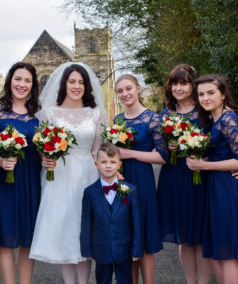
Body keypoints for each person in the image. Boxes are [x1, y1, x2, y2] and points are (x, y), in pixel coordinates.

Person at [29, 62, 107, 284]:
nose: (76, 86)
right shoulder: (49, 113)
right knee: (64, 229)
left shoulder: (96, 113)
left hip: (88, 174)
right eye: (72, 81)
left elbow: (98, 150)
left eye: (81, 82)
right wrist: (46, 157)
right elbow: (41, 146)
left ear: (87, 86)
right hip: (59, 176)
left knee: (85, 230)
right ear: (64, 84)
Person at [186, 74, 238, 284]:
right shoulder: (214, 119)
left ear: (223, 94)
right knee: (217, 252)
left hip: (229, 189)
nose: (205, 98)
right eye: (201, 94)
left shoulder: (228, 119)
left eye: (211, 92)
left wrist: (204, 165)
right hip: (216, 187)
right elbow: (223, 152)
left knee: (226, 253)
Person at [156, 64, 213, 284]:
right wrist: (167, 147)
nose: (178, 88)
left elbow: (218, 145)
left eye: (184, 83)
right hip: (174, 177)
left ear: (193, 85)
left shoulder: (205, 112)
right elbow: (158, 147)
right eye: (174, 83)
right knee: (185, 238)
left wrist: (203, 159)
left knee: (200, 236)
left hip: (199, 178)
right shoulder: (165, 114)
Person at [0, 62, 41, 284]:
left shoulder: (37, 114)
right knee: (6, 237)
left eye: (27, 80)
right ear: (10, 81)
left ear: (32, 85)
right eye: (18, 79)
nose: (22, 84)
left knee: (28, 238)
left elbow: (42, 146)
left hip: (30, 179)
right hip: (2, 180)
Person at [114, 74, 167, 284]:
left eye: (128, 88)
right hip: (121, 182)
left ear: (138, 89)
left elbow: (163, 157)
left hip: (143, 182)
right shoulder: (117, 120)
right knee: (127, 240)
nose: (125, 94)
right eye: (120, 91)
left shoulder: (153, 119)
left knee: (143, 241)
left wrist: (131, 154)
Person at [80, 143, 142, 284]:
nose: (108, 166)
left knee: (126, 279)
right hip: (100, 248)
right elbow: (86, 223)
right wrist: (86, 249)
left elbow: (136, 223)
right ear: (96, 164)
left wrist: (136, 250)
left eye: (112, 162)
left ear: (119, 165)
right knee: (102, 280)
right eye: (103, 162)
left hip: (124, 248)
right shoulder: (90, 192)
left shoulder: (131, 190)